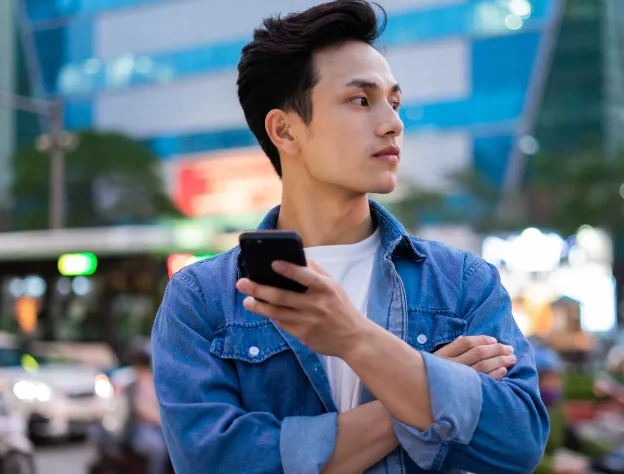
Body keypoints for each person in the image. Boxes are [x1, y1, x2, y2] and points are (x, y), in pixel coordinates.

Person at [151, 2, 549, 473]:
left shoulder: (461, 282)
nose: (393, 123)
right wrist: (426, 394)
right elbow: (217, 462)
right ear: (285, 130)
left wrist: (354, 338)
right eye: (361, 100)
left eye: (394, 102)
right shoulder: (204, 298)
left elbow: (519, 441)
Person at [533, 346, 611, 474]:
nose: (555, 384)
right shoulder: (522, 413)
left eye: (557, 378)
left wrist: (609, 452)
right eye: (549, 379)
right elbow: (517, 455)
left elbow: (570, 438)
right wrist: (552, 468)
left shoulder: (556, 409)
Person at [125, 349, 168, 474]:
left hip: (160, 428)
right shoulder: (134, 384)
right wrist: (158, 418)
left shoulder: (154, 381)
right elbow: (139, 407)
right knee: (158, 449)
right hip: (141, 429)